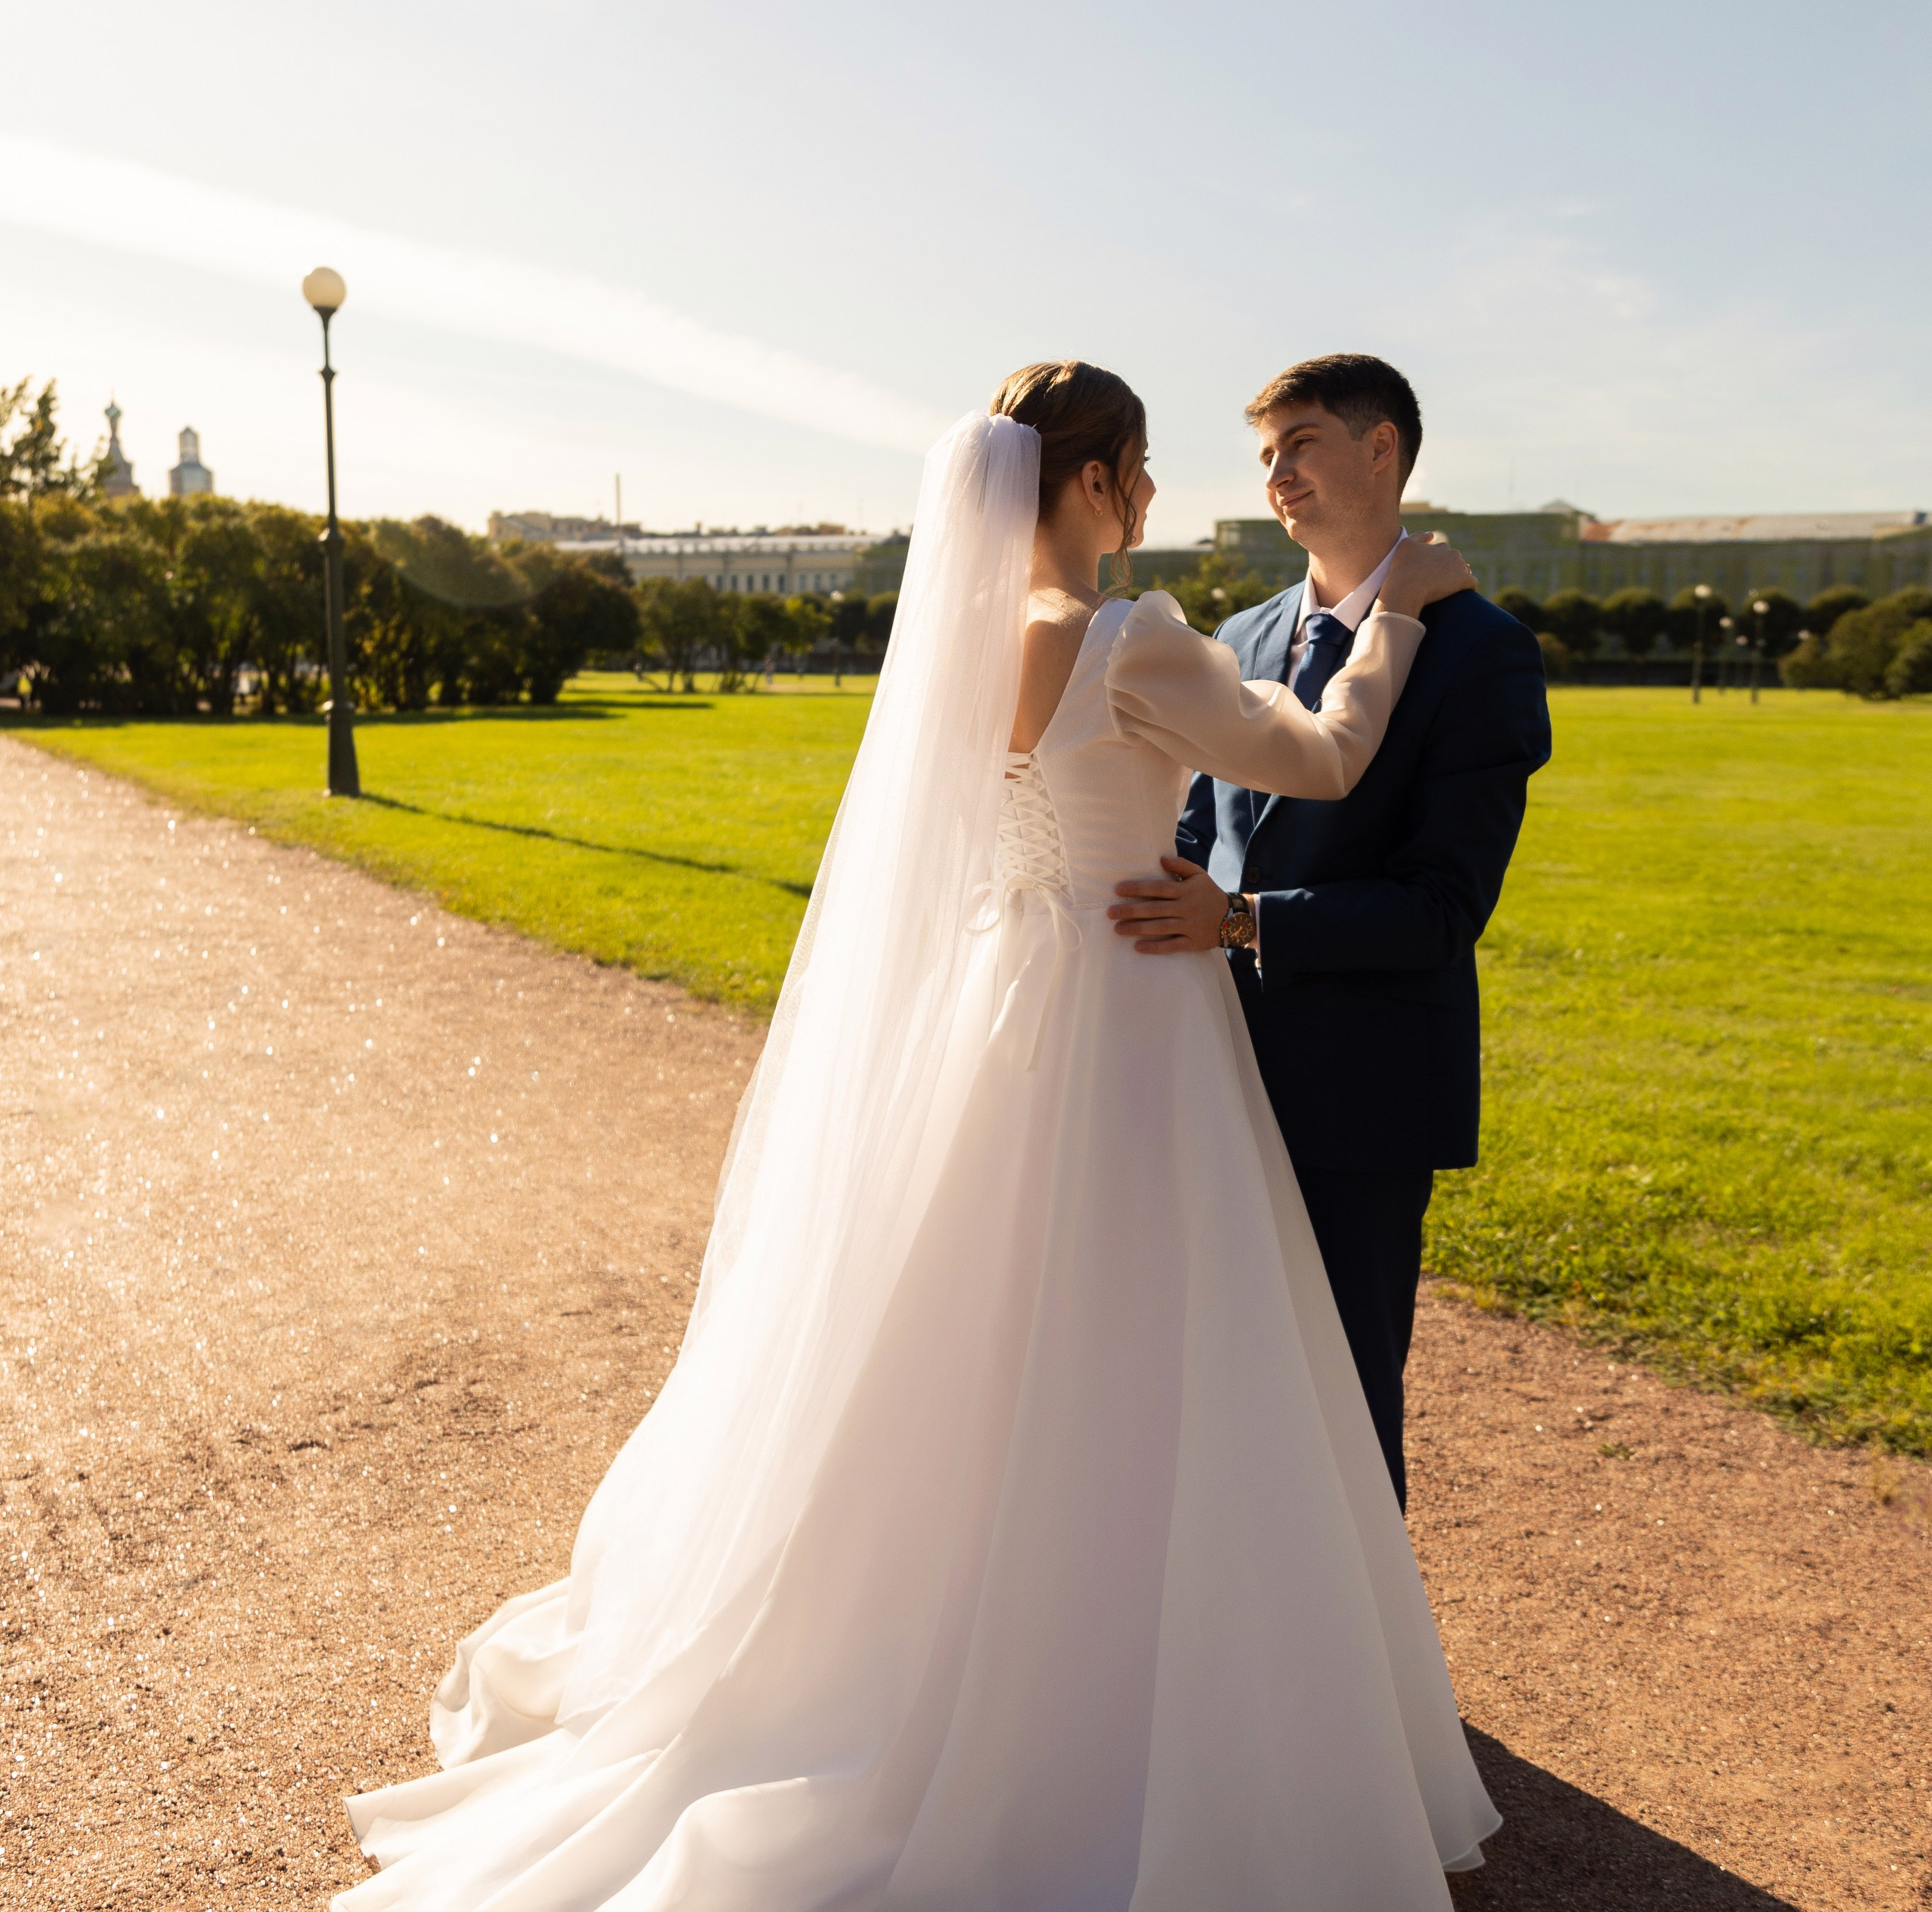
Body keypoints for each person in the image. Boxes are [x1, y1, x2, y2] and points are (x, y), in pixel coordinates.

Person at [334, 362, 1499, 1911]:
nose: (1148, 495)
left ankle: (931, 1654)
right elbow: (1322, 756)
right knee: (1148, 1345)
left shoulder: (963, 642)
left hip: (1002, 1001)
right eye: (1137, 468)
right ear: (1088, 485)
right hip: (1135, 1012)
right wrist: (1402, 610)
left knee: (969, 1344)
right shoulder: (1129, 635)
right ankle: (1139, 1685)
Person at [1107, 354, 1553, 1510]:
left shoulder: (1481, 653)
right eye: (1265, 457)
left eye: (1300, 443)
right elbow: (1199, 826)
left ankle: (1357, 1685)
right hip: (1208, 1066)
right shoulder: (1246, 631)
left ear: (1382, 450)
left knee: (1344, 1389)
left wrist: (1244, 920)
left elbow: (1444, 906)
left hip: (1361, 1090)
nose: (1277, 477)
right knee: (1206, 1374)